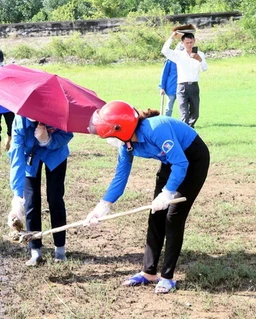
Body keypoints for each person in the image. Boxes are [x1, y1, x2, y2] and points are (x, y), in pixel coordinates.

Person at [86, 100, 210, 294]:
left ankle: (167, 277)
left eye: (110, 136)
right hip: (171, 162)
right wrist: (103, 205)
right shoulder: (126, 144)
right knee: (156, 214)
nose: (110, 141)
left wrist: (167, 192)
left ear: (122, 129)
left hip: (192, 160)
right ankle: (148, 272)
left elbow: (181, 163)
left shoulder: (156, 129)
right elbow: (121, 176)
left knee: (173, 217)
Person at [7, 116, 73, 266]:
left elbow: (67, 134)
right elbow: (16, 156)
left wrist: (48, 140)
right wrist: (17, 198)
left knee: (55, 198)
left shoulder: (58, 112)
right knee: (31, 201)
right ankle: (35, 251)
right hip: (31, 157)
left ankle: (60, 250)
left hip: (56, 154)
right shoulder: (20, 119)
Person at [162, 31, 208, 127]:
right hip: (182, 86)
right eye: (187, 43)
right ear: (182, 43)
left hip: (194, 85)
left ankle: (189, 128)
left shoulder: (200, 54)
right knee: (184, 113)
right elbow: (165, 51)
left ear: (194, 41)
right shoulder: (178, 55)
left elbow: (204, 68)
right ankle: (185, 131)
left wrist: (199, 59)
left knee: (195, 113)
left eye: (191, 42)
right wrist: (171, 37)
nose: (189, 45)